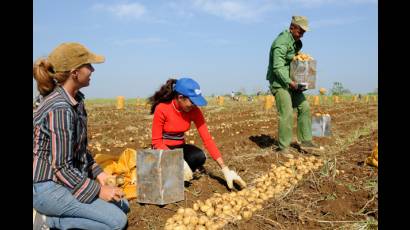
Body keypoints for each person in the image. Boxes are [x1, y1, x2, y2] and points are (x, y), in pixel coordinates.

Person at [33, 42, 129, 230]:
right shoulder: (60, 108)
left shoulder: (76, 100)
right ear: (74, 72)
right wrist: (98, 190)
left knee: (123, 205)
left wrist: (98, 172)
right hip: (47, 187)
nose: (93, 69)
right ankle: (46, 221)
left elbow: (80, 151)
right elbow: (61, 167)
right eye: (89, 65)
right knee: (116, 222)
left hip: (62, 181)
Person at [149, 78, 247, 189]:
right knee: (168, 170)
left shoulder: (194, 111)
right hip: (162, 149)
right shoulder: (162, 108)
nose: (194, 106)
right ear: (180, 98)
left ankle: (178, 170)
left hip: (179, 148)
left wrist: (225, 169)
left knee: (199, 157)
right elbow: (156, 142)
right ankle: (170, 170)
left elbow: (207, 140)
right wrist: (176, 161)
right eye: (192, 102)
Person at [265, 16, 323, 155]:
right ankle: (283, 147)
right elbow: (277, 68)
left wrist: (305, 74)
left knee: (305, 107)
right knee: (287, 112)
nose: (302, 35)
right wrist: (291, 83)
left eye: (304, 32)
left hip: (292, 82)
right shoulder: (281, 42)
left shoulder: (295, 42)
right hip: (280, 83)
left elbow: (295, 61)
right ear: (292, 28)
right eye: (300, 31)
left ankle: (306, 141)